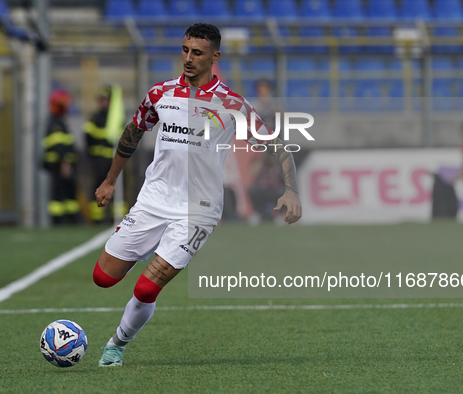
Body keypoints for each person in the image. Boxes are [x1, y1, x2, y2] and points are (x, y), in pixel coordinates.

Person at [92, 23, 302, 367]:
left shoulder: (232, 104)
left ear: (214, 57)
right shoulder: (160, 94)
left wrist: (291, 190)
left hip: (198, 211)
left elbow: (277, 144)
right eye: (186, 50)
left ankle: (117, 344)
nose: (189, 58)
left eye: (198, 53)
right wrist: (110, 180)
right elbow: (133, 134)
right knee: (103, 278)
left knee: (146, 289)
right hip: (153, 201)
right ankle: (155, 250)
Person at [43, 89, 79, 225]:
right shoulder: (56, 124)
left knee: (66, 196)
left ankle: (70, 220)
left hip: (59, 166)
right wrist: (66, 164)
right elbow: (59, 147)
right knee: (59, 195)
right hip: (58, 166)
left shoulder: (57, 122)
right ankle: (59, 222)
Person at [83, 86, 116, 223]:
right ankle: (97, 218)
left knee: (115, 189)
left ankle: (115, 217)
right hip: (98, 161)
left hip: (114, 161)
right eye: (101, 100)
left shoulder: (115, 117)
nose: (103, 102)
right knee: (97, 188)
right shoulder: (95, 118)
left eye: (106, 100)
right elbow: (88, 136)